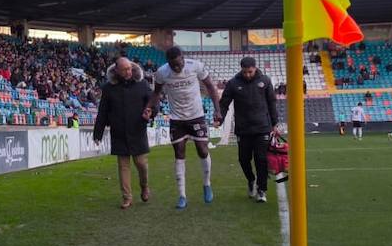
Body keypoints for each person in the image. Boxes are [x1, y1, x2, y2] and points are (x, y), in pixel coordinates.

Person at [146, 45, 220, 209]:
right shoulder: (161, 72)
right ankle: (182, 196)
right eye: (173, 65)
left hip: (196, 116)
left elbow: (210, 86)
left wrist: (217, 109)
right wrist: (149, 107)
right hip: (176, 118)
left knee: (203, 150)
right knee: (179, 154)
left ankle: (206, 184)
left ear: (183, 59)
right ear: (168, 63)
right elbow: (156, 93)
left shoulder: (196, 66)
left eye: (179, 64)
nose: (177, 67)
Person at [215, 56, 279, 203]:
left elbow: (272, 102)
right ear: (241, 69)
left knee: (261, 159)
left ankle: (262, 190)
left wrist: (274, 123)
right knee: (243, 160)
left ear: (255, 68)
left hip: (262, 127)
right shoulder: (233, 83)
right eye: (245, 72)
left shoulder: (265, 81)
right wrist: (219, 118)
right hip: (243, 128)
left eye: (250, 72)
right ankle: (251, 180)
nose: (247, 75)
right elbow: (224, 104)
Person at [93, 57, 153, 209]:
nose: (128, 72)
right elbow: (103, 112)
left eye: (130, 68)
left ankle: (144, 186)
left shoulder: (142, 84)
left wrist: (151, 112)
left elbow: (152, 102)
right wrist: (97, 133)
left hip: (138, 130)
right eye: (125, 69)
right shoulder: (108, 88)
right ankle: (127, 197)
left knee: (141, 164)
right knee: (123, 166)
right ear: (117, 71)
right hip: (119, 132)